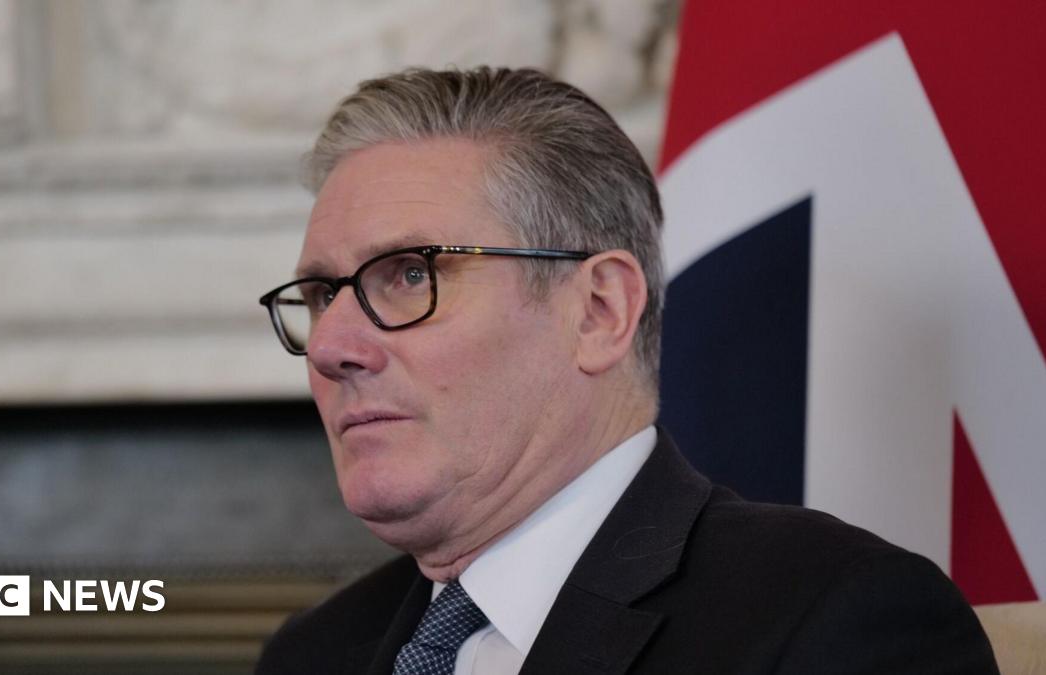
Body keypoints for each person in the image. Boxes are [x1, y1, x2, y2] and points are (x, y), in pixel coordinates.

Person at [255, 67, 997, 674]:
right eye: (322, 294)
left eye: (410, 275)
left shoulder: (833, 621)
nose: (330, 346)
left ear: (600, 310)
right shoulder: (310, 654)